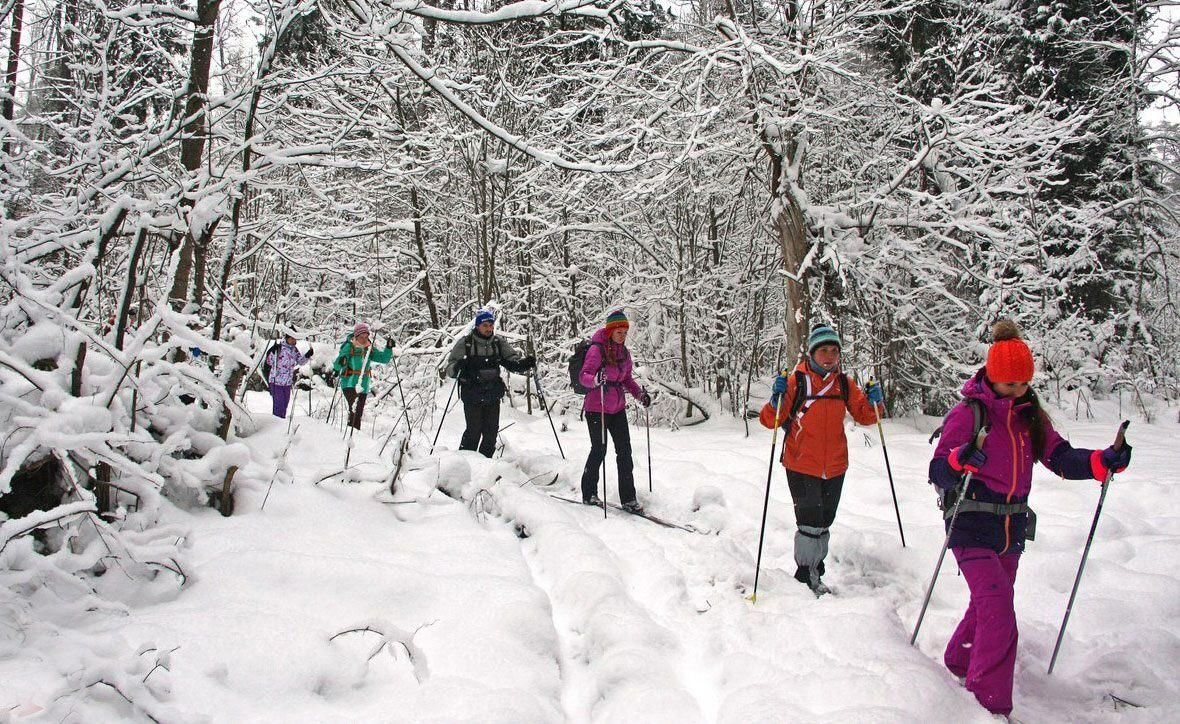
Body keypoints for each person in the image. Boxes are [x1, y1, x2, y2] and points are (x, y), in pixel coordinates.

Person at [928, 319, 1131, 717]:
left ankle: (960, 659)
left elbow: (1060, 457)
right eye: (1010, 384)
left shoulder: (1030, 416)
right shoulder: (969, 414)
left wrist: (1101, 462)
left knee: (989, 603)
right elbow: (938, 470)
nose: (1019, 391)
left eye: (1024, 383)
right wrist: (959, 459)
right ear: (991, 377)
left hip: (1011, 530)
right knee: (998, 606)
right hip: (970, 525)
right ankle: (989, 704)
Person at [758, 323, 883, 595]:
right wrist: (775, 399)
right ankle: (805, 575)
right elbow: (770, 421)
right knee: (809, 522)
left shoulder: (844, 384)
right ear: (812, 353)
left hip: (836, 464)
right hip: (801, 463)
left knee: (825, 520)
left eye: (834, 350)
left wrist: (876, 402)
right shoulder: (796, 381)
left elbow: (865, 416)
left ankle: (815, 569)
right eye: (823, 350)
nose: (829, 356)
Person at [578, 309, 652, 512]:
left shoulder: (624, 353)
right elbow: (583, 376)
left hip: (617, 408)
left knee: (624, 452)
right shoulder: (596, 350)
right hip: (596, 407)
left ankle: (628, 499)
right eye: (619, 332)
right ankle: (589, 492)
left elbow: (627, 379)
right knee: (599, 450)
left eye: (625, 332)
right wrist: (595, 380)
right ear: (610, 331)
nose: (623, 336)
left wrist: (640, 395)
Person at [444, 309, 535, 457]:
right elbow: (450, 370)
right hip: (472, 394)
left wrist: (524, 364)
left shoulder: (498, 343)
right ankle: (465, 463)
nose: (488, 328)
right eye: (485, 325)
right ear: (478, 325)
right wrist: (459, 366)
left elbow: (512, 361)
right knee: (473, 431)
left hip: (492, 393)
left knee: (491, 433)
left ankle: (485, 465)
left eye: (491, 325)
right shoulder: (465, 343)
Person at [333, 322, 393, 430]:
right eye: (362, 337)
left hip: (363, 386)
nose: (364, 339)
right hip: (349, 384)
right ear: (356, 336)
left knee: (358, 413)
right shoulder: (348, 346)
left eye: (366, 336)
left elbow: (383, 359)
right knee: (355, 410)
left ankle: (354, 436)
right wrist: (340, 362)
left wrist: (388, 348)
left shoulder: (369, 348)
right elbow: (337, 365)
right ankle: (351, 435)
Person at [263, 330, 313, 418]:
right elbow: (269, 362)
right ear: (287, 338)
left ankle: (282, 425)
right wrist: (272, 352)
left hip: (287, 383)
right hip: (276, 382)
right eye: (292, 338)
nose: (294, 340)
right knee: (278, 407)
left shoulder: (294, 350)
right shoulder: (279, 348)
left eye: (295, 338)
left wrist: (307, 355)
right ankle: (276, 427)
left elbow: (300, 362)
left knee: (284, 407)